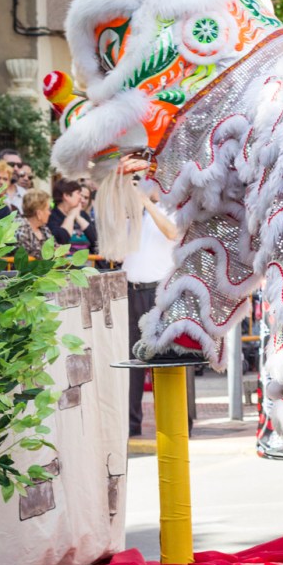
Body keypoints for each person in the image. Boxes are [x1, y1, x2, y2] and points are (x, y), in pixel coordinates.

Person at [120, 155, 179, 437]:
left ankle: (177, 421)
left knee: (166, 358)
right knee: (131, 359)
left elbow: (172, 233)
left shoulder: (172, 208)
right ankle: (131, 423)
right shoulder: (139, 214)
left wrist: (145, 203)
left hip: (157, 292)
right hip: (131, 290)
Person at [48, 178, 97, 252]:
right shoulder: (51, 216)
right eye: (78, 193)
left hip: (88, 262)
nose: (81, 198)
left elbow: (95, 240)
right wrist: (71, 216)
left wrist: (77, 217)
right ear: (66, 195)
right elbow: (61, 240)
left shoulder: (82, 214)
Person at [14, 189, 54, 259]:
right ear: (39, 213)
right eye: (48, 209)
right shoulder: (21, 227)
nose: (50, 213)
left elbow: (54, 246)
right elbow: (26, 256)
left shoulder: (43, 228)